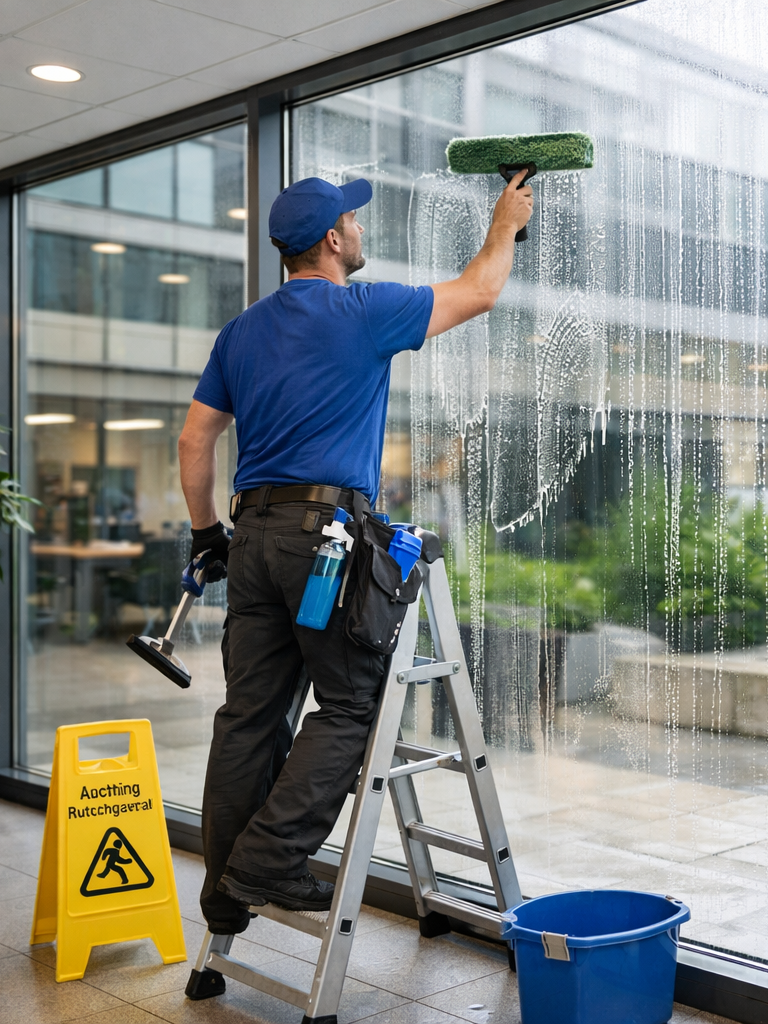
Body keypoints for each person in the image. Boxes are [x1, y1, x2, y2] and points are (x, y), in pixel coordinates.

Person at [178, 170, 534, 936]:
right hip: (324, 543)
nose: (362, 231)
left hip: (251, 538)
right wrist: (505, 223)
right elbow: (479, 291)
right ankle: (270, 860)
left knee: (248, 715)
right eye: (354, 220)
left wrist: (207, 534)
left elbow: (194, 438)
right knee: (351, 703)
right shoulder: (362, 309)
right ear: (334, 241)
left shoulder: (241, 331)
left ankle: (225, 889)